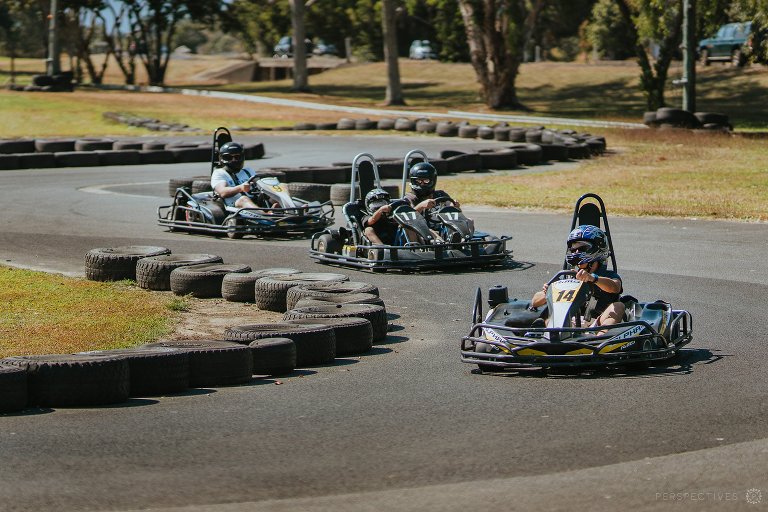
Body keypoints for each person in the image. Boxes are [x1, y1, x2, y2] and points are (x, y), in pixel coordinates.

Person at [531, 225, 625, 331]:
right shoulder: (568, 277)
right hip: (570, 324)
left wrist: (592, 278)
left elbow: (615, 287)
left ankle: (601, 338)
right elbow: (534, 302)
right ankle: (543, 336)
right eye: (574, 249)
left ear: (596, 250)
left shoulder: (608, 276)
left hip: (596, 324)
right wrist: (549, 292)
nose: (576, 253)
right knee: (550, 318)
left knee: (618, 306)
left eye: (582, 249)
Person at [210, 142, 259, 209]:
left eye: (237, 157)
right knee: (244, 199)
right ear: (222, 158)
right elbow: (222, 192)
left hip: (255, 201)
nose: (234, 160)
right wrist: (240, 188)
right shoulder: (219, 173)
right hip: (234, 206)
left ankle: (274, 213)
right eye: (228, 157)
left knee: (273, 197)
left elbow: (260, 183)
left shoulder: (248, 171)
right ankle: (266, 217)